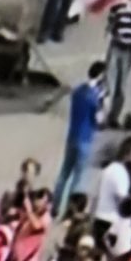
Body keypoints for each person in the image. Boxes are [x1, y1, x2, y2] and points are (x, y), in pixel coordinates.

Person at [52, 62, 106, 217]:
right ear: (101, 76)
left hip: (72, 135)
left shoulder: (77, 91)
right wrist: (102, 103)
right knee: (78, 177)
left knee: (64, 172)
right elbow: (99, 120)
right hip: (85, 139)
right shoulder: (95, 97)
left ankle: (55, 206)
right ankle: (70, 210)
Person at [106, 0, 131, 128]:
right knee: (110, 82)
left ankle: (113, 117)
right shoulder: (117, 5)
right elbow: (111, 24)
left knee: (120, 86)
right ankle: (104, 115)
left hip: (128, 50)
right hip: (117, 47)